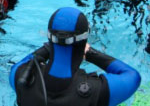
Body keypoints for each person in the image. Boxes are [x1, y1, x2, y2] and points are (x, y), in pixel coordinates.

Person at [9, 7, 141, 106]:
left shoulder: (20, 77)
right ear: (84, 41)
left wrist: (48, 48)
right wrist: (91, 53)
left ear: (49, 37)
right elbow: (133, 76)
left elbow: (24, 61)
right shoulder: (96, 91)